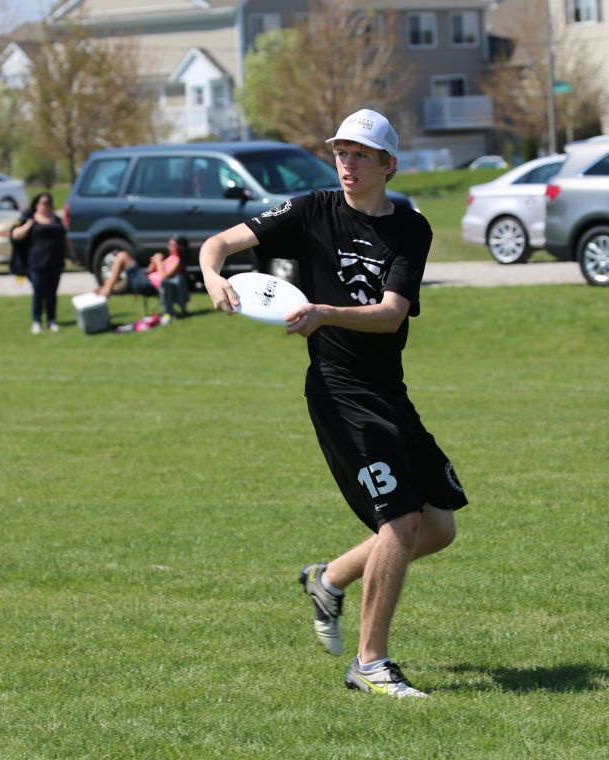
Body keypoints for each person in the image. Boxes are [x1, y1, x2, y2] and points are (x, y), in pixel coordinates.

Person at [199, 109, 467, 698]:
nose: (347, 164)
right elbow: (219, 243)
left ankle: (330, 577)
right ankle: (371, 665)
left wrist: (324, 312)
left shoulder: (411, 228)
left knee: (438, 527)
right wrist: (214, 276)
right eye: (341, 152)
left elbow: (390, 314)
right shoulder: (311, 209)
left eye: (360, 155)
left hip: (387, 388)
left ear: (388, 165)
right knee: (400, 520)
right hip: (338, 390)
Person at [11, 193, 69, 334]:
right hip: (37, 263)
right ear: (36, 205)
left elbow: (64, 238)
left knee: (52, 294)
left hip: (54, 263)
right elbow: (15, 235)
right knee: (38, 293)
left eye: (48, 202)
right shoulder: (28, 219)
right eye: (43, 203)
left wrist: (71, 255)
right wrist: (28, 225)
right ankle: (36, 321)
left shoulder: (56, 220)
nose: (46, 205)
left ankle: (51, 320)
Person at [95, 235, 189, 323]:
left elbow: (164, 277)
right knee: (122, 256)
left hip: (147, 284)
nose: (169, 247)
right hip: (145, 278)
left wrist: (158, 261)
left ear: (181, 247)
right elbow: (150, 270)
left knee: (122, 256)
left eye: (172, 245)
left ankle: (106, 289)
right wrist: (154, 262)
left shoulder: (177, 261)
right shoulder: (170, 258)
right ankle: (106, 288)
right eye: (169, 244)